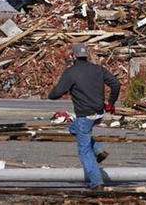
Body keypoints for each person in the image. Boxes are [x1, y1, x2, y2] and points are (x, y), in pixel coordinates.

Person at [48, 43, 120, 189]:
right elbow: (116, 84)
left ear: (73, 56)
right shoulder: (98, 69)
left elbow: (57, 93)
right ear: (85, 55)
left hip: (84, 116)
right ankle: (98, 150)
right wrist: (111, 103)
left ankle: (96, 182)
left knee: (84, 151)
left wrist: (51, 94)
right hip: (99, 114)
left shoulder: (71, 72)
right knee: (73, 129)